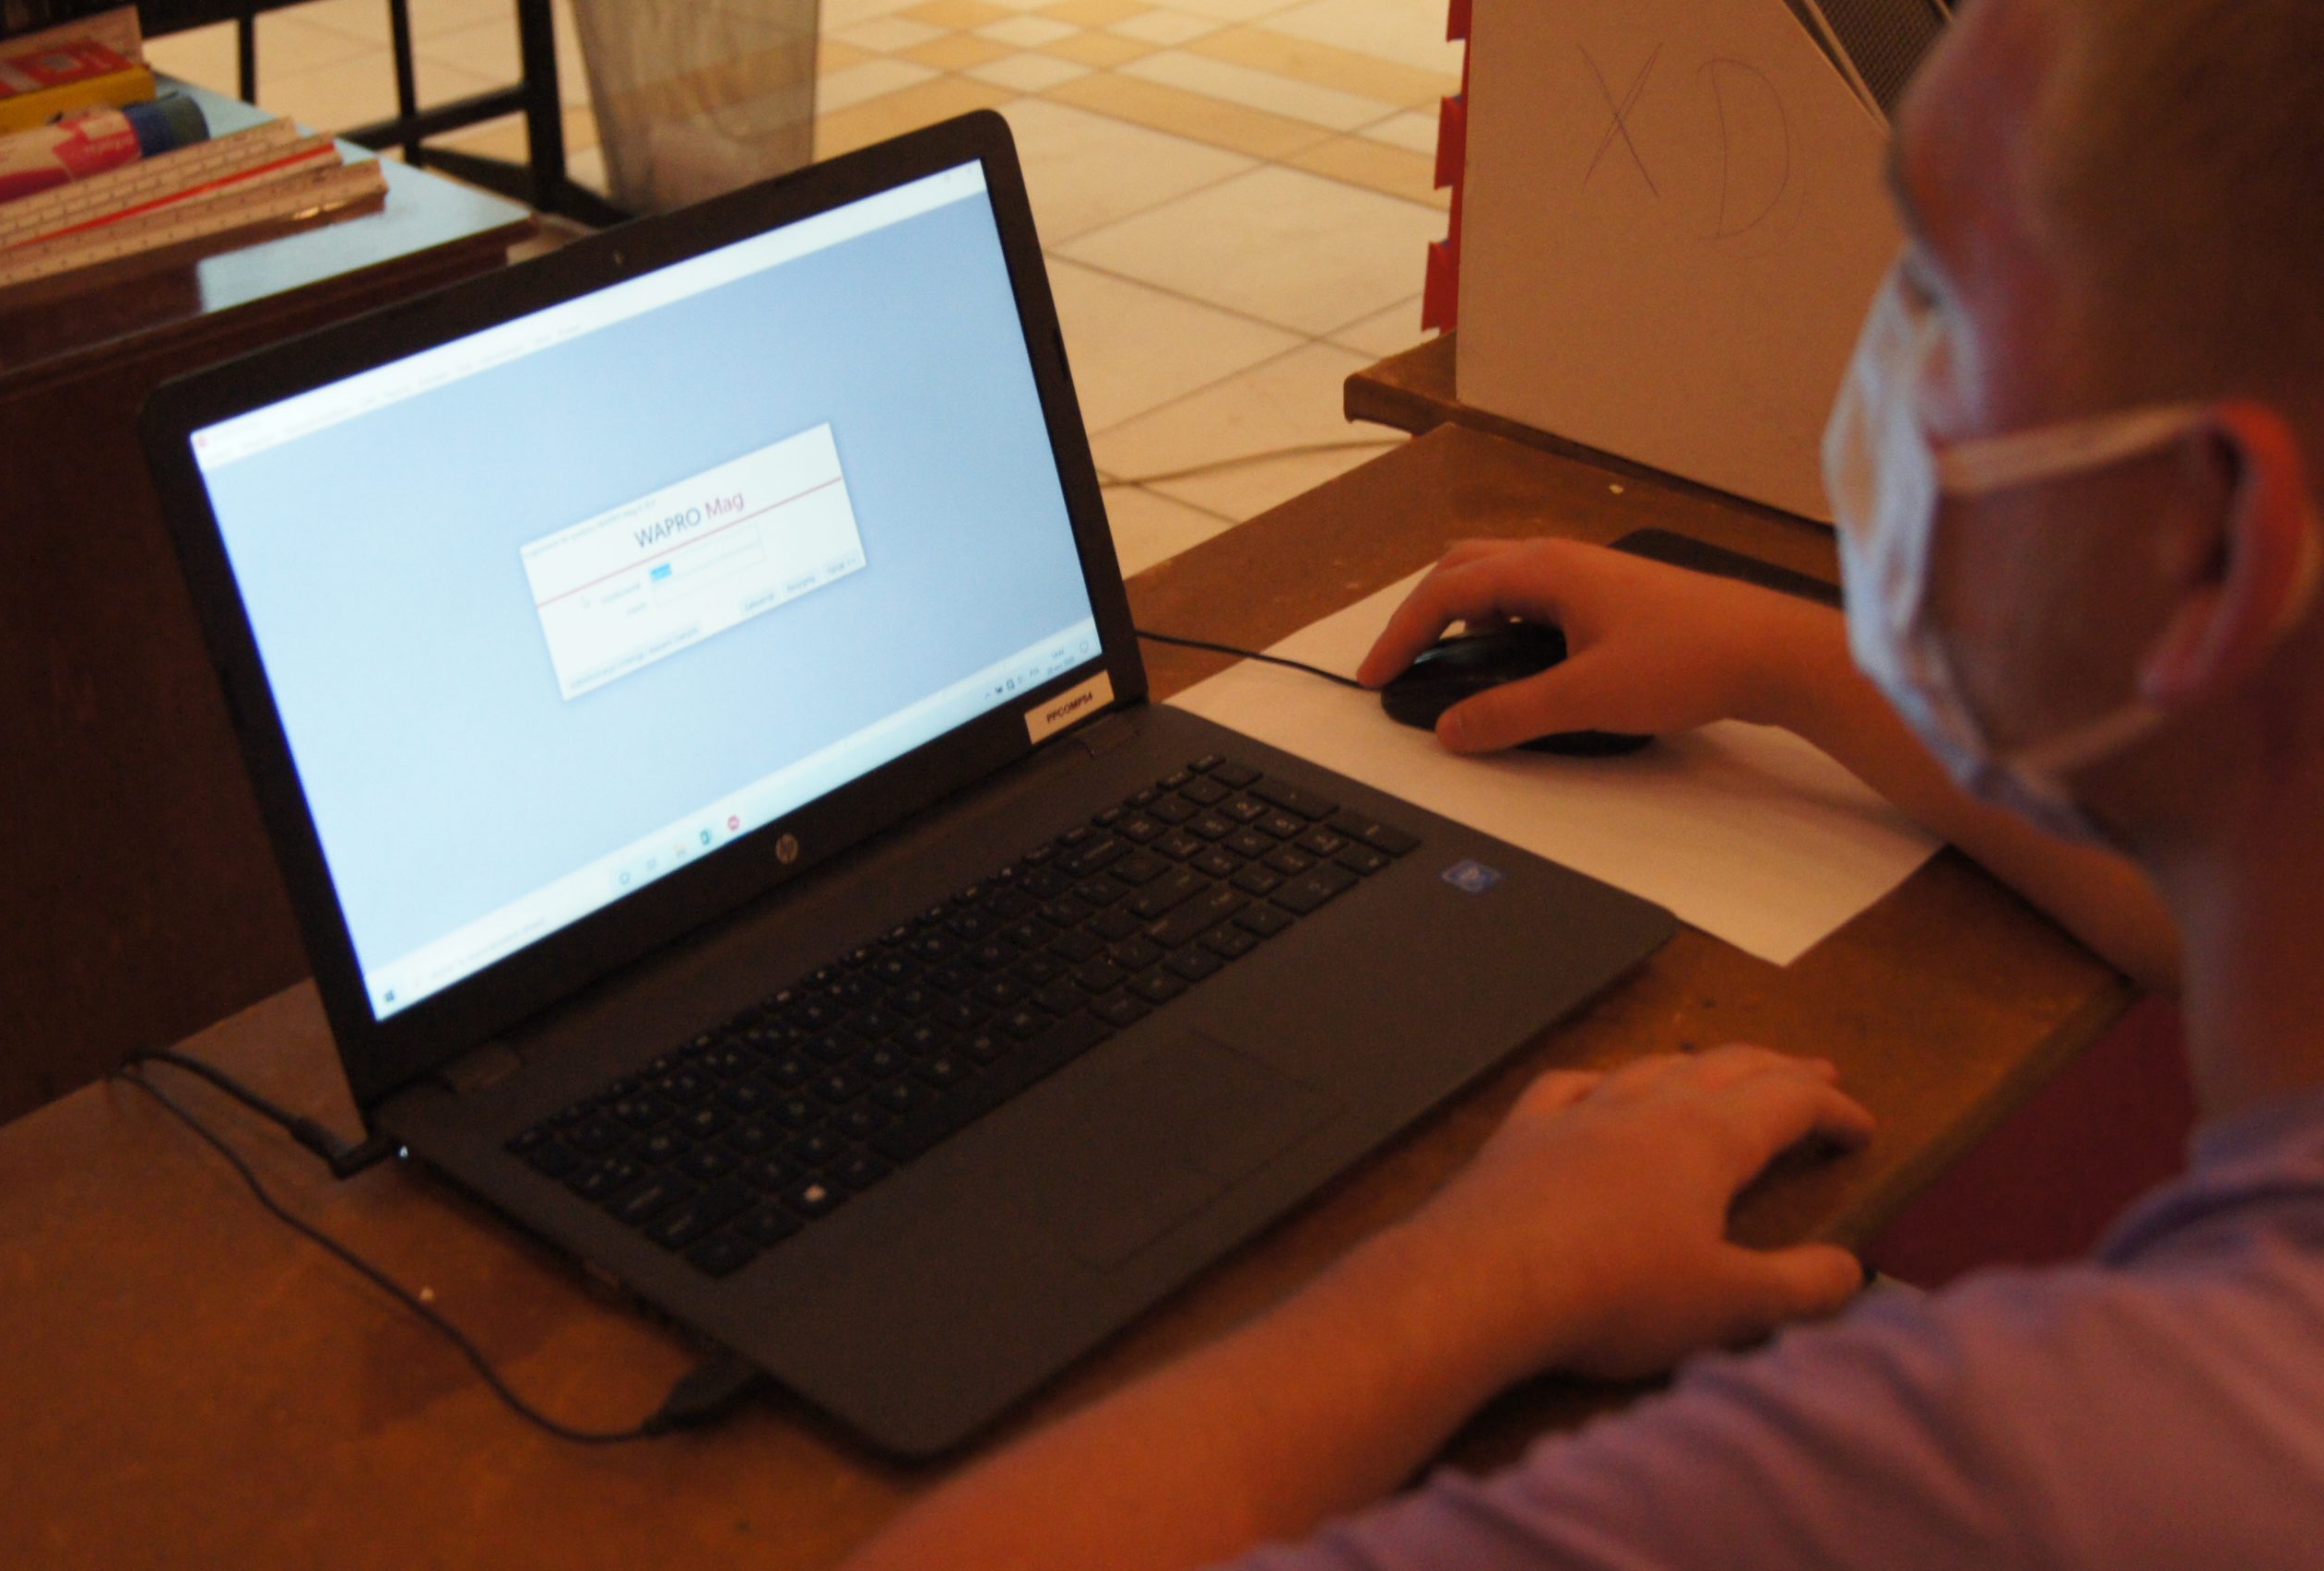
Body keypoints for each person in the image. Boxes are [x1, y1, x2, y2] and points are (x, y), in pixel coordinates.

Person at [843, 0, 2324, 1563]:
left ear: (2214, 543)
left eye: (1947, 291)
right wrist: (1779, 660)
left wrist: (1484, 1272)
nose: (1886, 354)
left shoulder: (2043, 1464)